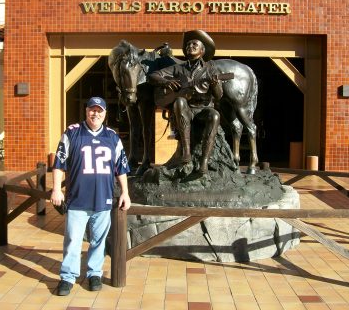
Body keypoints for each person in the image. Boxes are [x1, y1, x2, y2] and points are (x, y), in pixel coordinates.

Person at [50, 96, 131, 295]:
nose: (95, 113)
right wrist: (56, 189)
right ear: (86, 111)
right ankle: (68, 277)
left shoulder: (112, 137)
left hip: (103, 200)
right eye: (92, 109)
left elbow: (121, 168)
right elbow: (59, 163)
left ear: (105, 113)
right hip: (77, 199)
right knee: (73, 241)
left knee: (99, 241)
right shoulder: (72, 133)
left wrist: (125, 193)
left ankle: (94, 273)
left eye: (99, 110)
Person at [149, 30, 223, 174]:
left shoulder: (211, 69)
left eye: (194, 44)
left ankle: (204, 162)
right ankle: (186, 153)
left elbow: (219, 96)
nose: (190, 46)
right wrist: (165, 82)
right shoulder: (178, 68)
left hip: (203, 110)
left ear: (202, 51)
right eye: (188, 44)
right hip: (186, 110)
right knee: (180, 101)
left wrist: (214, 84)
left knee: (215, 115)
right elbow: (153, 76)